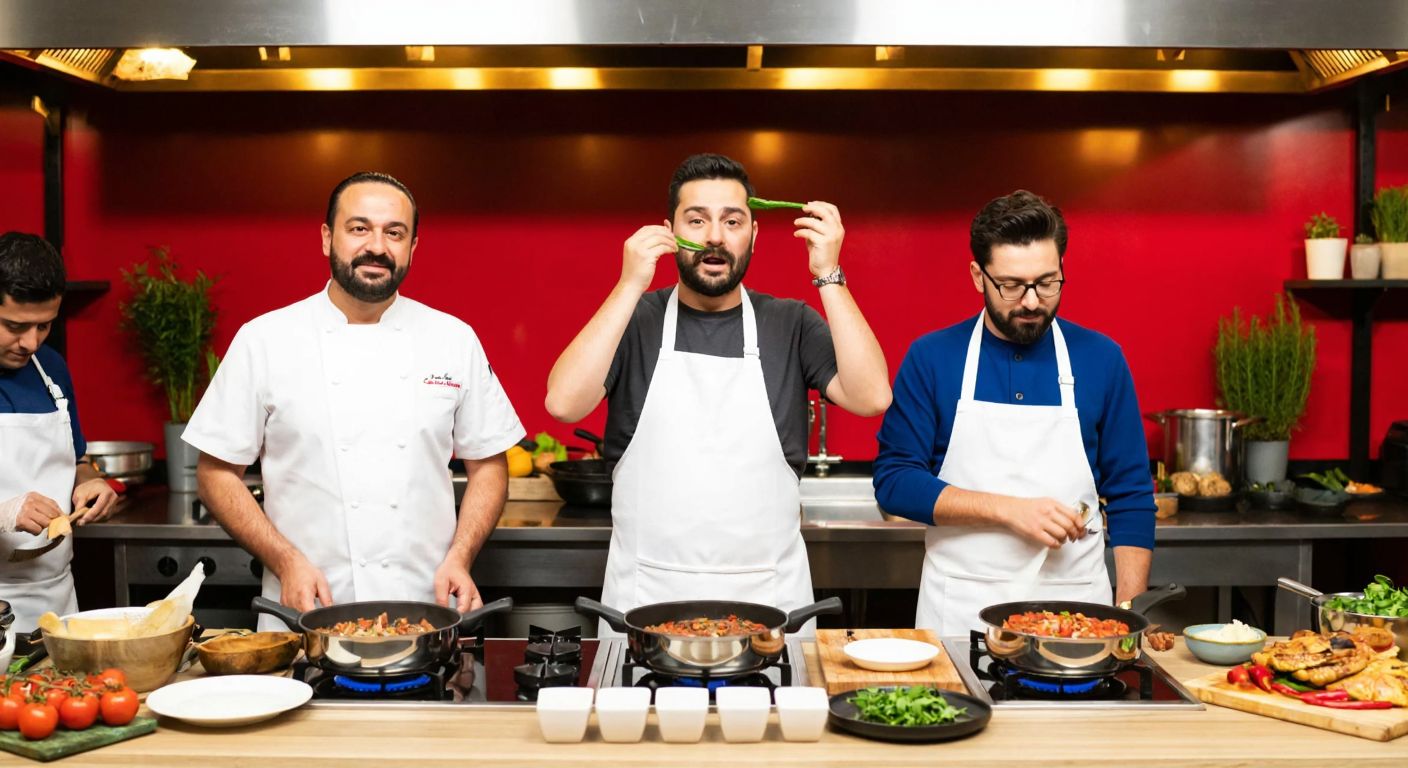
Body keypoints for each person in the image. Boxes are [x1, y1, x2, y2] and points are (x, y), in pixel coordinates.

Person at [545, 153, 891, 631]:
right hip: (645, 604)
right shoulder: (635, 319)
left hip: (771, 607)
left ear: (753, 235)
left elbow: (872, 396)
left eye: (732, 221)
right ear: (669, 231)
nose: (714, 236)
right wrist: (629, 283)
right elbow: (563, 403)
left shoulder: (789, 323)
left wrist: (828, 272)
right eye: (697, 219)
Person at [184, 172, 524, 630]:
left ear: (413, 247)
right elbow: (217, 472)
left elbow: (488, 464)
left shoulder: (453, 339)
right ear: (327, 238)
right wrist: (285, 562)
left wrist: (460, 557)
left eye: (394, 233)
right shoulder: (265, 339)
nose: (377, 247)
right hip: (304, 612)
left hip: (425, 610)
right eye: (359, 228)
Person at [873, 190, 1155, 633]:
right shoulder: (932, 357)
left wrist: (1127, 614)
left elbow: (1132, 496)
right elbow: (894, 484)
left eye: (1046, 283)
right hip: (960, 611)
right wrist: (1009, 510)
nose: (1030, 301)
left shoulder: (1101, 358)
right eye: (1010, 285)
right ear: (976, 275)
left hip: (1078, 612)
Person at [0, 232, 118, 631]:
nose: (30, 343)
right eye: (14, 326)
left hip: (57, 598)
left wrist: (92, 482)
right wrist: (4, 514)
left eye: (44, 326)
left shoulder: (50, 368)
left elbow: (77, 460)